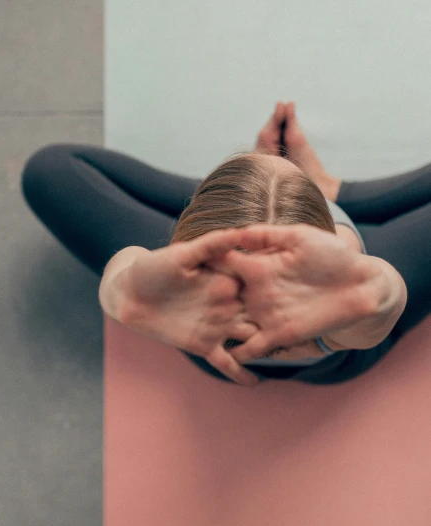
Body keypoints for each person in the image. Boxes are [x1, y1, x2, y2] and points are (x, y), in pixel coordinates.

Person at [21, 102, 430, 387]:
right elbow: (384, 299)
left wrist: (121, 295)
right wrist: (364, 262)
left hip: (217, 353)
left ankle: (241, 190)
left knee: (50, 170)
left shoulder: (182, 299)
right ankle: (330, 190)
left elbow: (54, 174)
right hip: (342, 358)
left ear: (182, 233)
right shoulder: (343, 299)